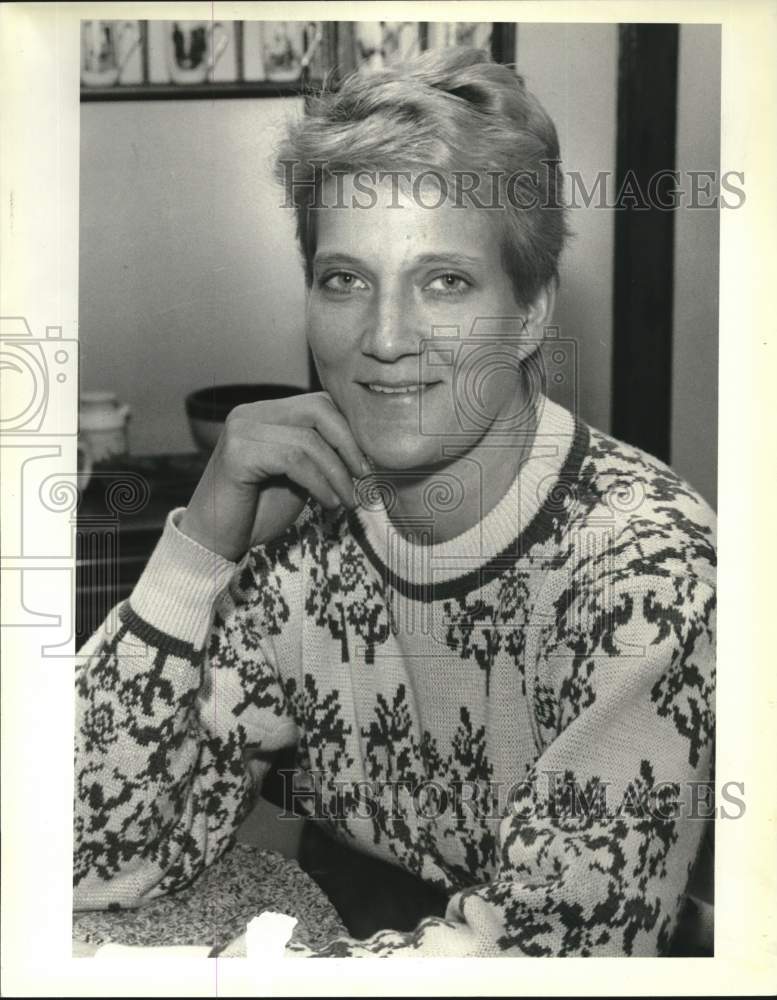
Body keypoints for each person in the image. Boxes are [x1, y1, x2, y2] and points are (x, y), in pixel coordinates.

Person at [73, 47, 716, 957]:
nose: (383, 338)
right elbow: (86, 851)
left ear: (529, 311)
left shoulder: (648, 569)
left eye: (443, 282)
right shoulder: (310, 529)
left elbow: (544, 960)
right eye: (345, 280)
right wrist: (199, 549)